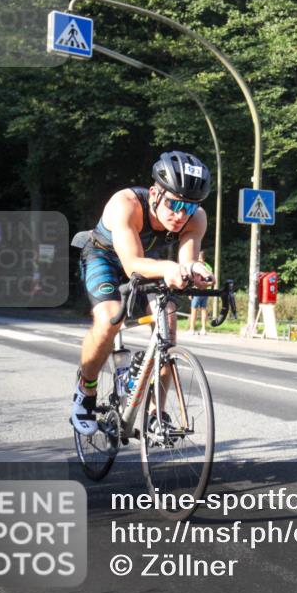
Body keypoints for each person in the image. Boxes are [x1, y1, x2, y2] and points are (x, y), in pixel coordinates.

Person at [71, 151, 215, 436]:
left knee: (168, 323)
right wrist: (170, 268)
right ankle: (85, 392)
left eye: (188, 208)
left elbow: (188, 259)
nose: (179, 215)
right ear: (154, 193)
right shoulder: (125, 205)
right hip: (105, 257)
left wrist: (197, 270)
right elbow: (132, 264)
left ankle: (154, 413)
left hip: (150, 264)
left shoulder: (195, 217)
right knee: (110, 318)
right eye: (173, 204)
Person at [187, 250, 213, 336]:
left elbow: (192, 280)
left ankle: (192, 329)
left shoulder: (196, 267)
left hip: (197, 290)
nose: (198, 260)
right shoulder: (208, 267)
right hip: (205, 290)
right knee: (203, 309)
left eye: (199, 258)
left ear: (202, 258)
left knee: (194, 310)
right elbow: (211, 279)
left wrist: (190, 292)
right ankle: (203, 329)